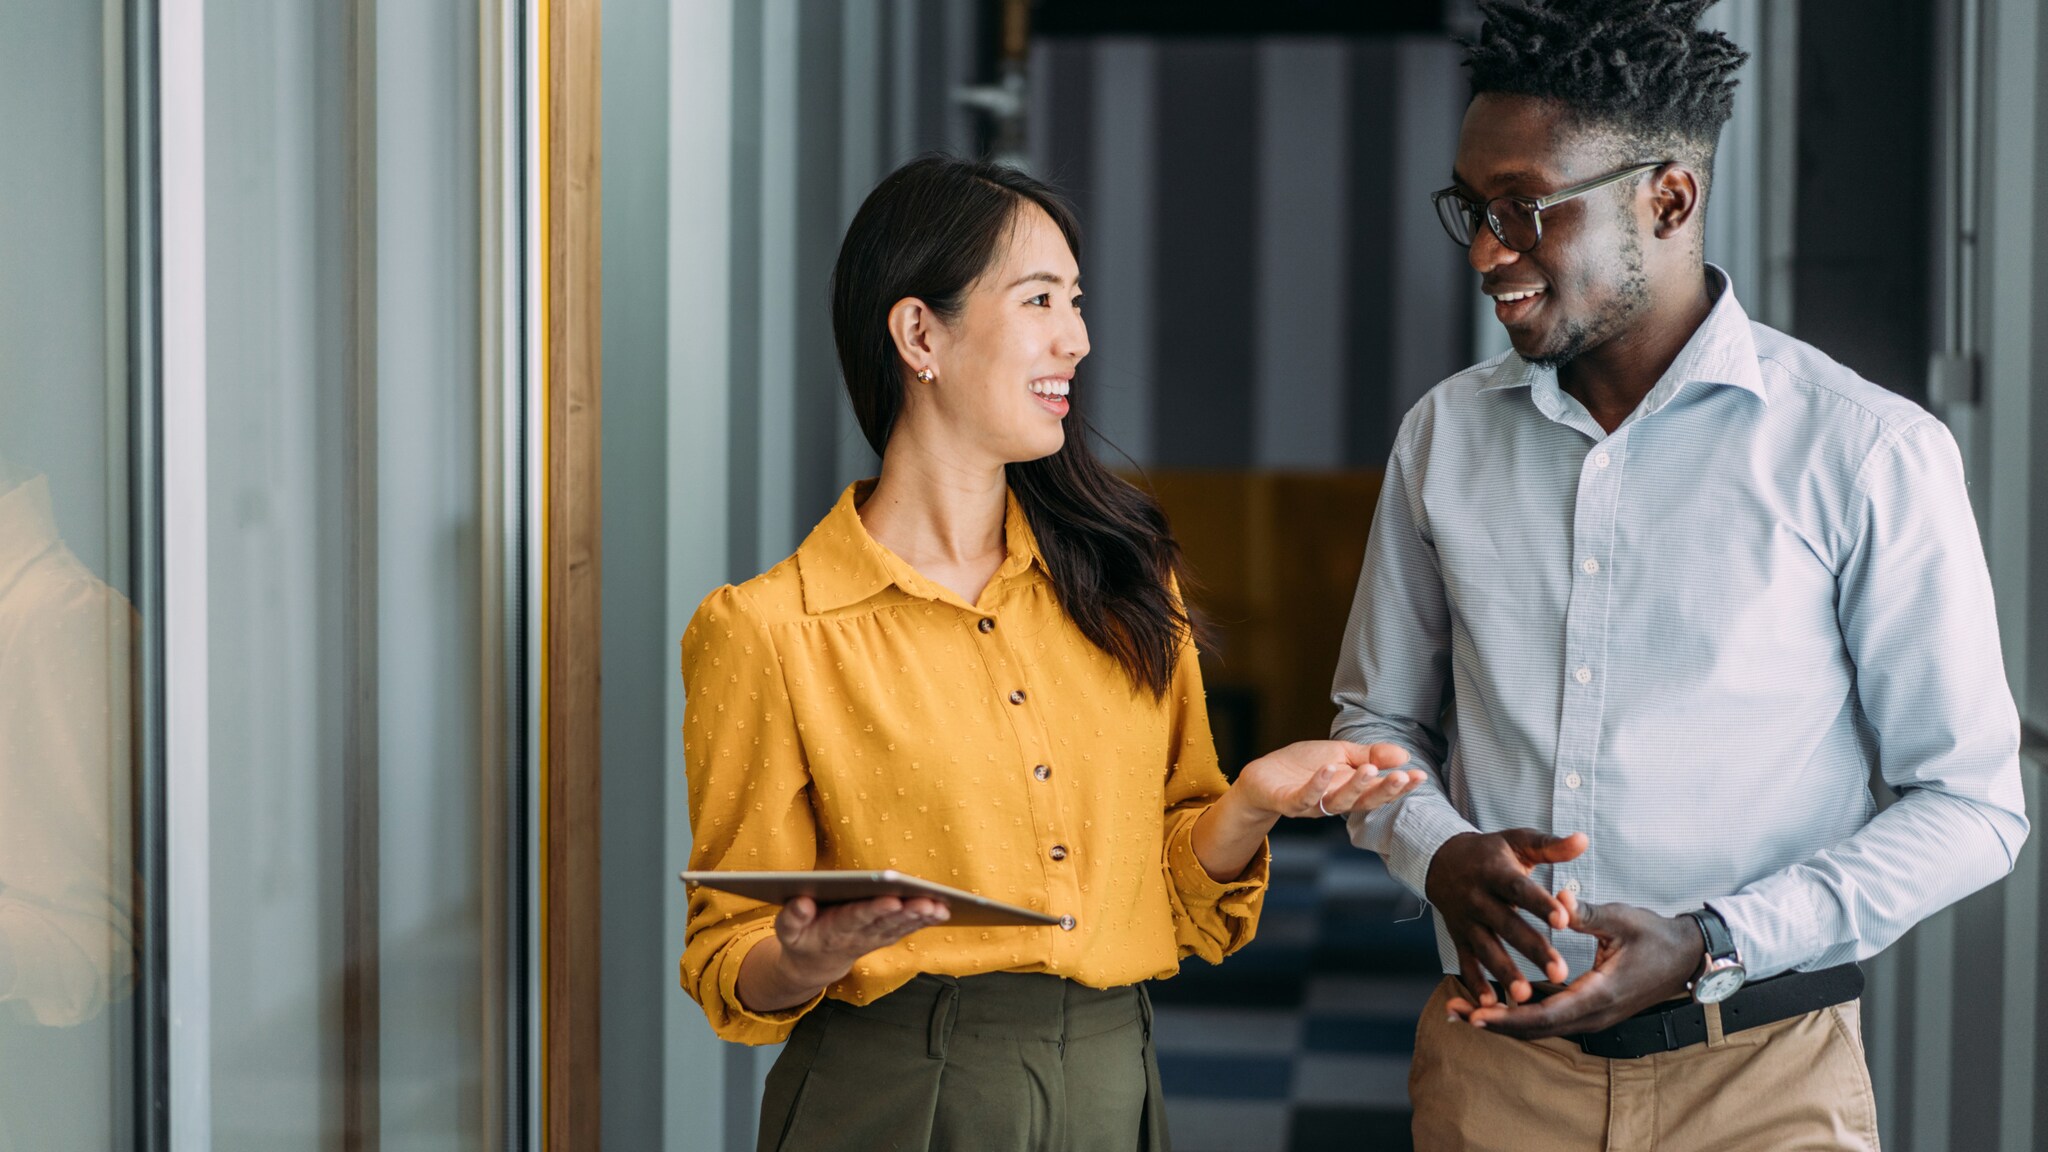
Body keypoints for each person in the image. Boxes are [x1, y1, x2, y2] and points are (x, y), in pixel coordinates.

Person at [1331, 2, 2030, 1148]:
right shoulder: (1440, 438)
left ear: (1666, 199)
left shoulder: (1862, 452)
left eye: (1523, 208)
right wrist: (1434, 847)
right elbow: (1376, 721)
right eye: (1469, 207)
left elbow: (1969, 807)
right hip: (1492, 1072)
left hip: (1762, 1085)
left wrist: (1712, 940)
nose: (1482, 250)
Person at [680, 154, 1422, 1152]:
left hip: (1111, 1078)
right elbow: (729, 956)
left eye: (1073, 301)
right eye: (1037, 299)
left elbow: (1173, 891)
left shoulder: (1125, 580)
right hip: (892, 1097)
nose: (1074, 338)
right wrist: (809, 955)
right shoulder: (769, 631)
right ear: (917, 335)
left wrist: (1248, 801)